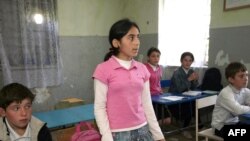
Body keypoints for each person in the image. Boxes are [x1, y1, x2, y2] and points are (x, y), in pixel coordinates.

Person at [93, 18, 165, 141]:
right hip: (118, 134)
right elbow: (100, 108)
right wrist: (107, 138)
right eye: (131, 37)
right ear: (116, 43)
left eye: (138, 37)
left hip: (143, 130)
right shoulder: (103, 69)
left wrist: (158, 135)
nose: (137, 42)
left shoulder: (142, 68)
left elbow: (147, 104)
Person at [211, 62, 250, 138]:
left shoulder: (245, 90)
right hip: (221, 128)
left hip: (235, 123)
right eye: (241, 76)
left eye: (246, 75)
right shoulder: (226, 93)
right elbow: (238, 110)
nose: (246, 78)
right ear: (231, 79)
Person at [168, 51, 199, 139]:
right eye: (185, 60)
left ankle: (198, 126)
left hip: (186, 97)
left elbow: (194, 87)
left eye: (190, 61)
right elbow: (179, 89)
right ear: (181, 61)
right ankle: (185, 129)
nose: (187, 63)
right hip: (175, 99)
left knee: (196, 104)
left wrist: (195, 80)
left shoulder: (191, 71)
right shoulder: (177, 72)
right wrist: (189, 79)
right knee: (189, 106)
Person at [145, 47, 171, 125]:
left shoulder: (159, 68)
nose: (156, 58)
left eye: (158, 56)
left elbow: (158, 81)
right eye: (153, 56)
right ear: (148, 57)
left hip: (158, 96)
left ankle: (153, 130)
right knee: (153, 121)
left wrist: (160, 90)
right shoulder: (144, 67)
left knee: (168, 120)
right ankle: (151, 131)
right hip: (148, 98)